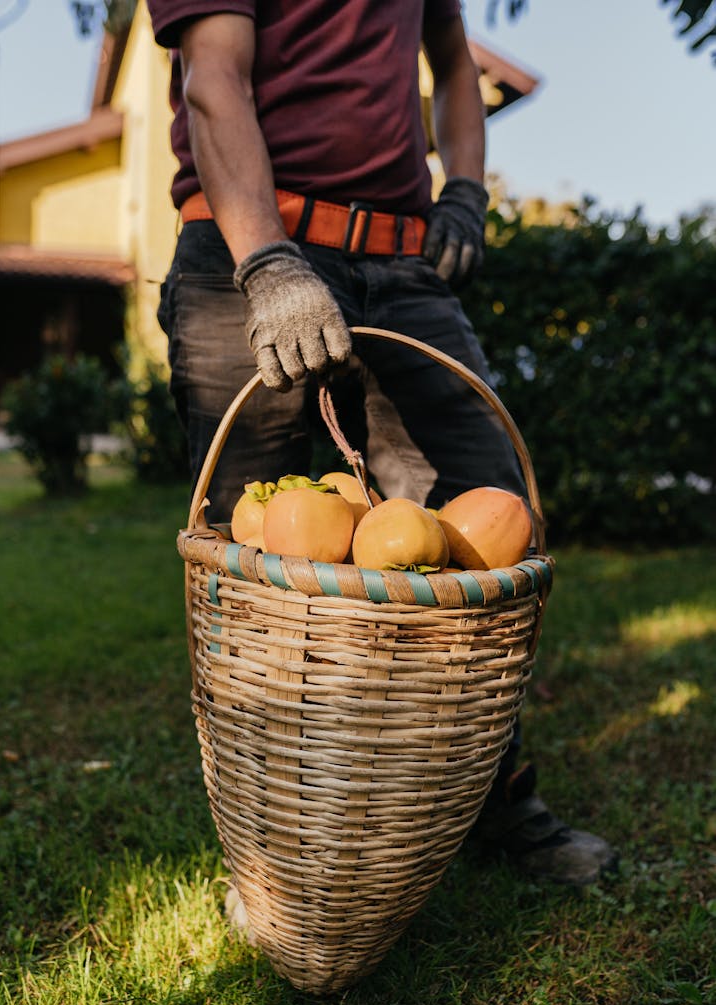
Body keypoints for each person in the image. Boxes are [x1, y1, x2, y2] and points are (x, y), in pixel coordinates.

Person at [146, 0, 617, 886]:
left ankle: (490, 798)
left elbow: (451, 51)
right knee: (262, 573)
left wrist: (467, 188)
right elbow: (214, 77)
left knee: (486, 531)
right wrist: (269, 265)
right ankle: (281, 849)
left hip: (404, 271)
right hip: (249, 246)